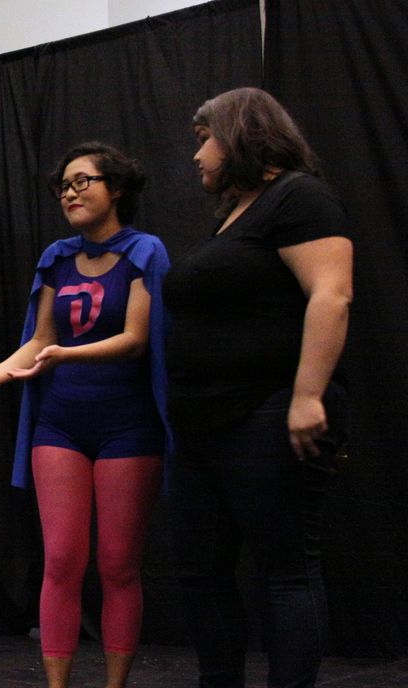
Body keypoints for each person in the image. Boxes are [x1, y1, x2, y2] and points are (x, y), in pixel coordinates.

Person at [0, 142, 170, 688]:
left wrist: (66, 356)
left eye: (82, 182)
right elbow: (41, 339)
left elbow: (136, 338)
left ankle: (115, 684)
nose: (70, 194)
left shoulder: (144, 252)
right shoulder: (56, 257)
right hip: (61, 425)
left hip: (128, 426)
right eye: (64, 186)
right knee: (62, 560)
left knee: (118, 563)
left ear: (115, 188)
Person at [163, 87, 353, 688]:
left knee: (286, 570)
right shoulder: (233, 217)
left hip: (267, 412)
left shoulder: (299, 197)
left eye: (205, 141)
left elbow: (332, 295)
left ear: (240, 134)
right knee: (201, 573)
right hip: (203, 423)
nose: (197, 156)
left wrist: (307, 396)